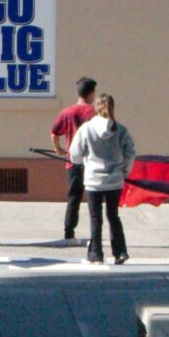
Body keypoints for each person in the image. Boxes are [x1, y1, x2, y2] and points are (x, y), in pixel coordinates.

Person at [69, 93, 136, 265]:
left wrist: (82, 160)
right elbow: (130, 152)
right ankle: (120, 252)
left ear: (96, 107)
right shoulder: (120, 130)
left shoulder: (87, 128)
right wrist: (125, 171)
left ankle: (96, 254)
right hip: (114, 179)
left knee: (95, 217)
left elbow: (75, 153)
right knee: (113, 216)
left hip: (93, 180)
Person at [49, 77, 100, 242]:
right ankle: (96, 233)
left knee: (74, 197)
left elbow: (54, 134)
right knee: (95, 198)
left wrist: (58, 149)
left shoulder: (67, 112)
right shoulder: (95, 113)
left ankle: (69, 231)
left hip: (72, 161)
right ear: (91, 94)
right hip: (92, 161)